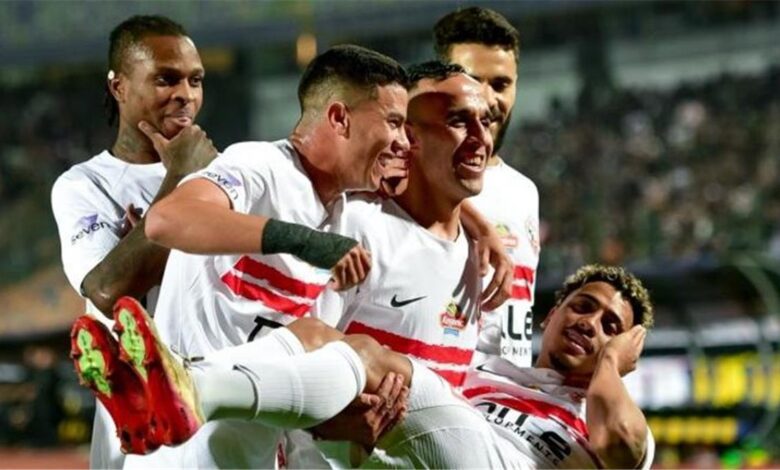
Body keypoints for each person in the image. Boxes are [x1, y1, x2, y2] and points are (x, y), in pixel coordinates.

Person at [72, 264, 655, 469]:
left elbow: (621, 446)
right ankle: (178, 389)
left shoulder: (607, 417)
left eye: (611, 324)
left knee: (369, 358)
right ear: (553, 313)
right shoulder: (487, 371)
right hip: (414, 459)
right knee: (312, 340)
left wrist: (610, 363)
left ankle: (192, 387)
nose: (591, 323)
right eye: (583, 307)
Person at [51, 15, 215, 469]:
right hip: (142, 435)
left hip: (223, 417)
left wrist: (145, 239)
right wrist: (180, 179)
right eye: (166, 79)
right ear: (119, 87)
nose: (186, 94)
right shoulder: (84, 185)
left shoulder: (229, 174)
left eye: (195, 80)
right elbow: (108, 290)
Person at [434, 6, 541, 365]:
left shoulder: (524, 191)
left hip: (506, 387)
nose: (487, 99)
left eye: (500, 84)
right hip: (442, 385)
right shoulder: (406, 179)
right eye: (471, 80)